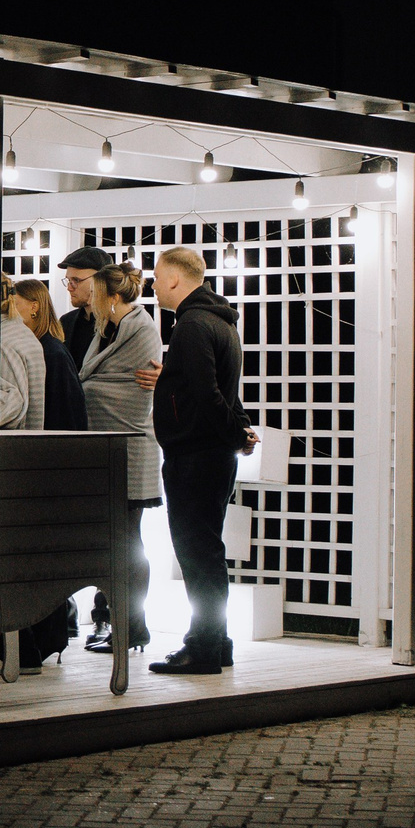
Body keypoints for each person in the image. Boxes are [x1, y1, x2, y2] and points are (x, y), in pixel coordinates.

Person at [148, 246, 256, 674]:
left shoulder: (191, 325)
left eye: (156, 277)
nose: (152, 285)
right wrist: (241, 428)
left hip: (194, 454)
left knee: (197, 553)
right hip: (212, 454)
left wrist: (235, 431)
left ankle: (204, 647)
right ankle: (217, 643)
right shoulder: (221, 322)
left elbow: (208, 394)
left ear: (175, 279)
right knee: (208, 551)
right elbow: (227, 391)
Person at [76, 262, 160, 655]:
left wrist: (87, 391)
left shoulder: (141, 329)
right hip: (112, 451)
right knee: (120, 542)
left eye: (93, 294)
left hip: (130, 449)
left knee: (128, 543)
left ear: (112, 297)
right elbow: (98, 380)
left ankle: (132, 626)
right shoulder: (108, 330)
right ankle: (124, 624)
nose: (88, 301)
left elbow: (128, 396)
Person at [10, 278, 86, 431]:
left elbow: (65, 412)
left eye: (15, 305)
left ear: (34, 307)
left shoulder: (52, 353)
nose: (10, 312)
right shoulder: (39, 347)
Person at [0, 274, 45, 430]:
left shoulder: (0, 341)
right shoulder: (25, 335)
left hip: (4, 440)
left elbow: (11, 405)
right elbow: (37, 409)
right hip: (27, 441)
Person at [57, 245, 113, 365]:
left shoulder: (118, 323)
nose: (69, 288)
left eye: (76, 280)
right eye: (68, 280)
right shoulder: (66, 322)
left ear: (101, 280)